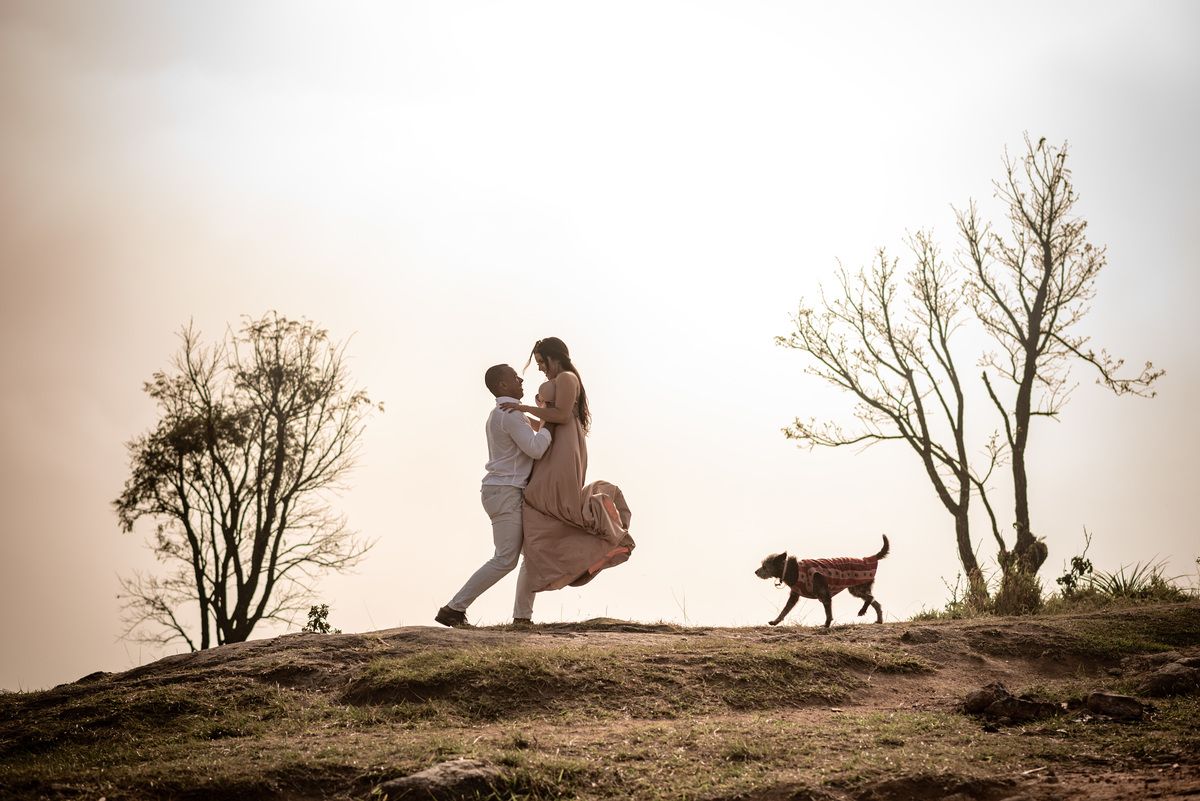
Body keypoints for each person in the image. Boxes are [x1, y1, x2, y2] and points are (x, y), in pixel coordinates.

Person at [500, 337, 635, 598]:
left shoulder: (566, 378)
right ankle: (577, 558)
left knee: (546, 501)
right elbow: (547, 424)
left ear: (554, 357)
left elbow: (561, 415)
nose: (540, 368)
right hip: (556, 444)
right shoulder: (559, 381)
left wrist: (523, 407)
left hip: (564, 448)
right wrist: (519, 417)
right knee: (544, 507)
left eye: (541, 362)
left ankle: (602, 538)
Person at [435, 364, 552, 628]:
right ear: (502, 385)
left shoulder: (507, 412)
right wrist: (549, 424)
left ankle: (522, 617)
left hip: (505, 491)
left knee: (531, 553)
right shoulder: (510, 414)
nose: (521, 380)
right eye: (515, 377)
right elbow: (536, 449)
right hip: (505, 492)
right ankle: (453, 608)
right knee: (505, 559)